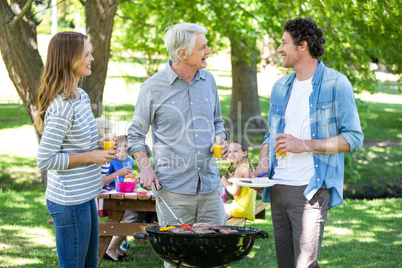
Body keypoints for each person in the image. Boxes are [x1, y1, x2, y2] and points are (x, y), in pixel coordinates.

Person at [251, 18, 364, 268]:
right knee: (287, 264)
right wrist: (261, 166)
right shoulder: (281, 87)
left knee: (304, 264)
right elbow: (271, 136)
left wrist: (304, 144)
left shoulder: (336, 83)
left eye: (284, 43)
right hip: (278, 186)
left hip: (310, 190)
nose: (279, 49)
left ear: (302, 46)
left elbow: (353, 139)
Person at [127, 23, 228, 252]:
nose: (208, 51)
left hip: (210, 188)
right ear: (183, 53)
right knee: (177, 257)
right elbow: (135, 134)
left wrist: (219, 139)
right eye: (203, 48)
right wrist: (145, 167)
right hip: (173, 191)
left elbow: (218, 124)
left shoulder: (209, 81)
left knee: (216, 254)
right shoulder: (152, 87)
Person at [35, 32, 117, 267]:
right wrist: (92, 156)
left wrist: (100, 147)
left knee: (90, 262)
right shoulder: (61, 106)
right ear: (69, 59)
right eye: (86, 54)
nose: (91, 59)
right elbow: (45, 159)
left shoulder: (81, 96)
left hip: (86, 195)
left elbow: (77, 143)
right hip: (69, 201)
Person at [104, 135, 146, 261]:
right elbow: (107, 179)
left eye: (126, 146)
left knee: (140, 214)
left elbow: (128, 179)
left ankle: (116, 247)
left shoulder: (131, 161)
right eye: (120, 145)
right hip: (114, 196)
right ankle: (110, 248)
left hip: (128, 194)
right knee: (132, 217)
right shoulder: (112, 161)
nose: (123, 148)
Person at [221, 141, 256, 221]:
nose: (232, 154)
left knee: (213, 208)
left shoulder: (240, 170)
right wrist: (234, 179)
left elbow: (234, 191)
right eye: (229, 151)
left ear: (244, 153)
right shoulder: (249, 167)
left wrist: (225, 183)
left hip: (239, 210)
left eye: (235, 151)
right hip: (248, 209)